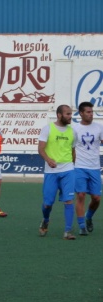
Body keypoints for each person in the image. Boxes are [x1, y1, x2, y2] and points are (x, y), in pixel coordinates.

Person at [38, 104, 76, 240]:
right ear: (59, 115)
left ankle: (68, 231)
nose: (70, 116)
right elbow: (41, 149)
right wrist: (48, 160)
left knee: (69, 201)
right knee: (48, 203)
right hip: (51, 171)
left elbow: (73, 151)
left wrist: (72, 166)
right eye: (67, 114)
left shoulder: (72, 131)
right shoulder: (47, 129)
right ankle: (46, 220)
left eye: (70, 114)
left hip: (68, 170)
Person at [72, 101, 103, 235]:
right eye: (88, 112)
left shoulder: (99, 127)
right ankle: (81, 226)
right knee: (81, 195)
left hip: (94, 167)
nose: (91, 114)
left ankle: (88, 217)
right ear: (81, 113)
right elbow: (71, 148)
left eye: (92, 112)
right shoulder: (74, 129)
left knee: (96, 198)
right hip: (79, 167)